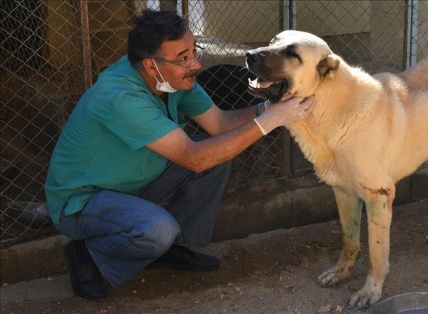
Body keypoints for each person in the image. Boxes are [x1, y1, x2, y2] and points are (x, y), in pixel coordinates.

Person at [44, 9, 312, 301]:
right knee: (157, 228)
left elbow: (219, 124)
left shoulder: (171, 78)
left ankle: (172, 248)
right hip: (83, 201)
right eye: (183, 58)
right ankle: (85, 254)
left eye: (194, 51)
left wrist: (269, 109)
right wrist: (271, 120)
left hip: (130, 184)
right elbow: (194, 157)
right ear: (151, 65)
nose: (195, 64)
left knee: (219, 155)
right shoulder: (120, 96)